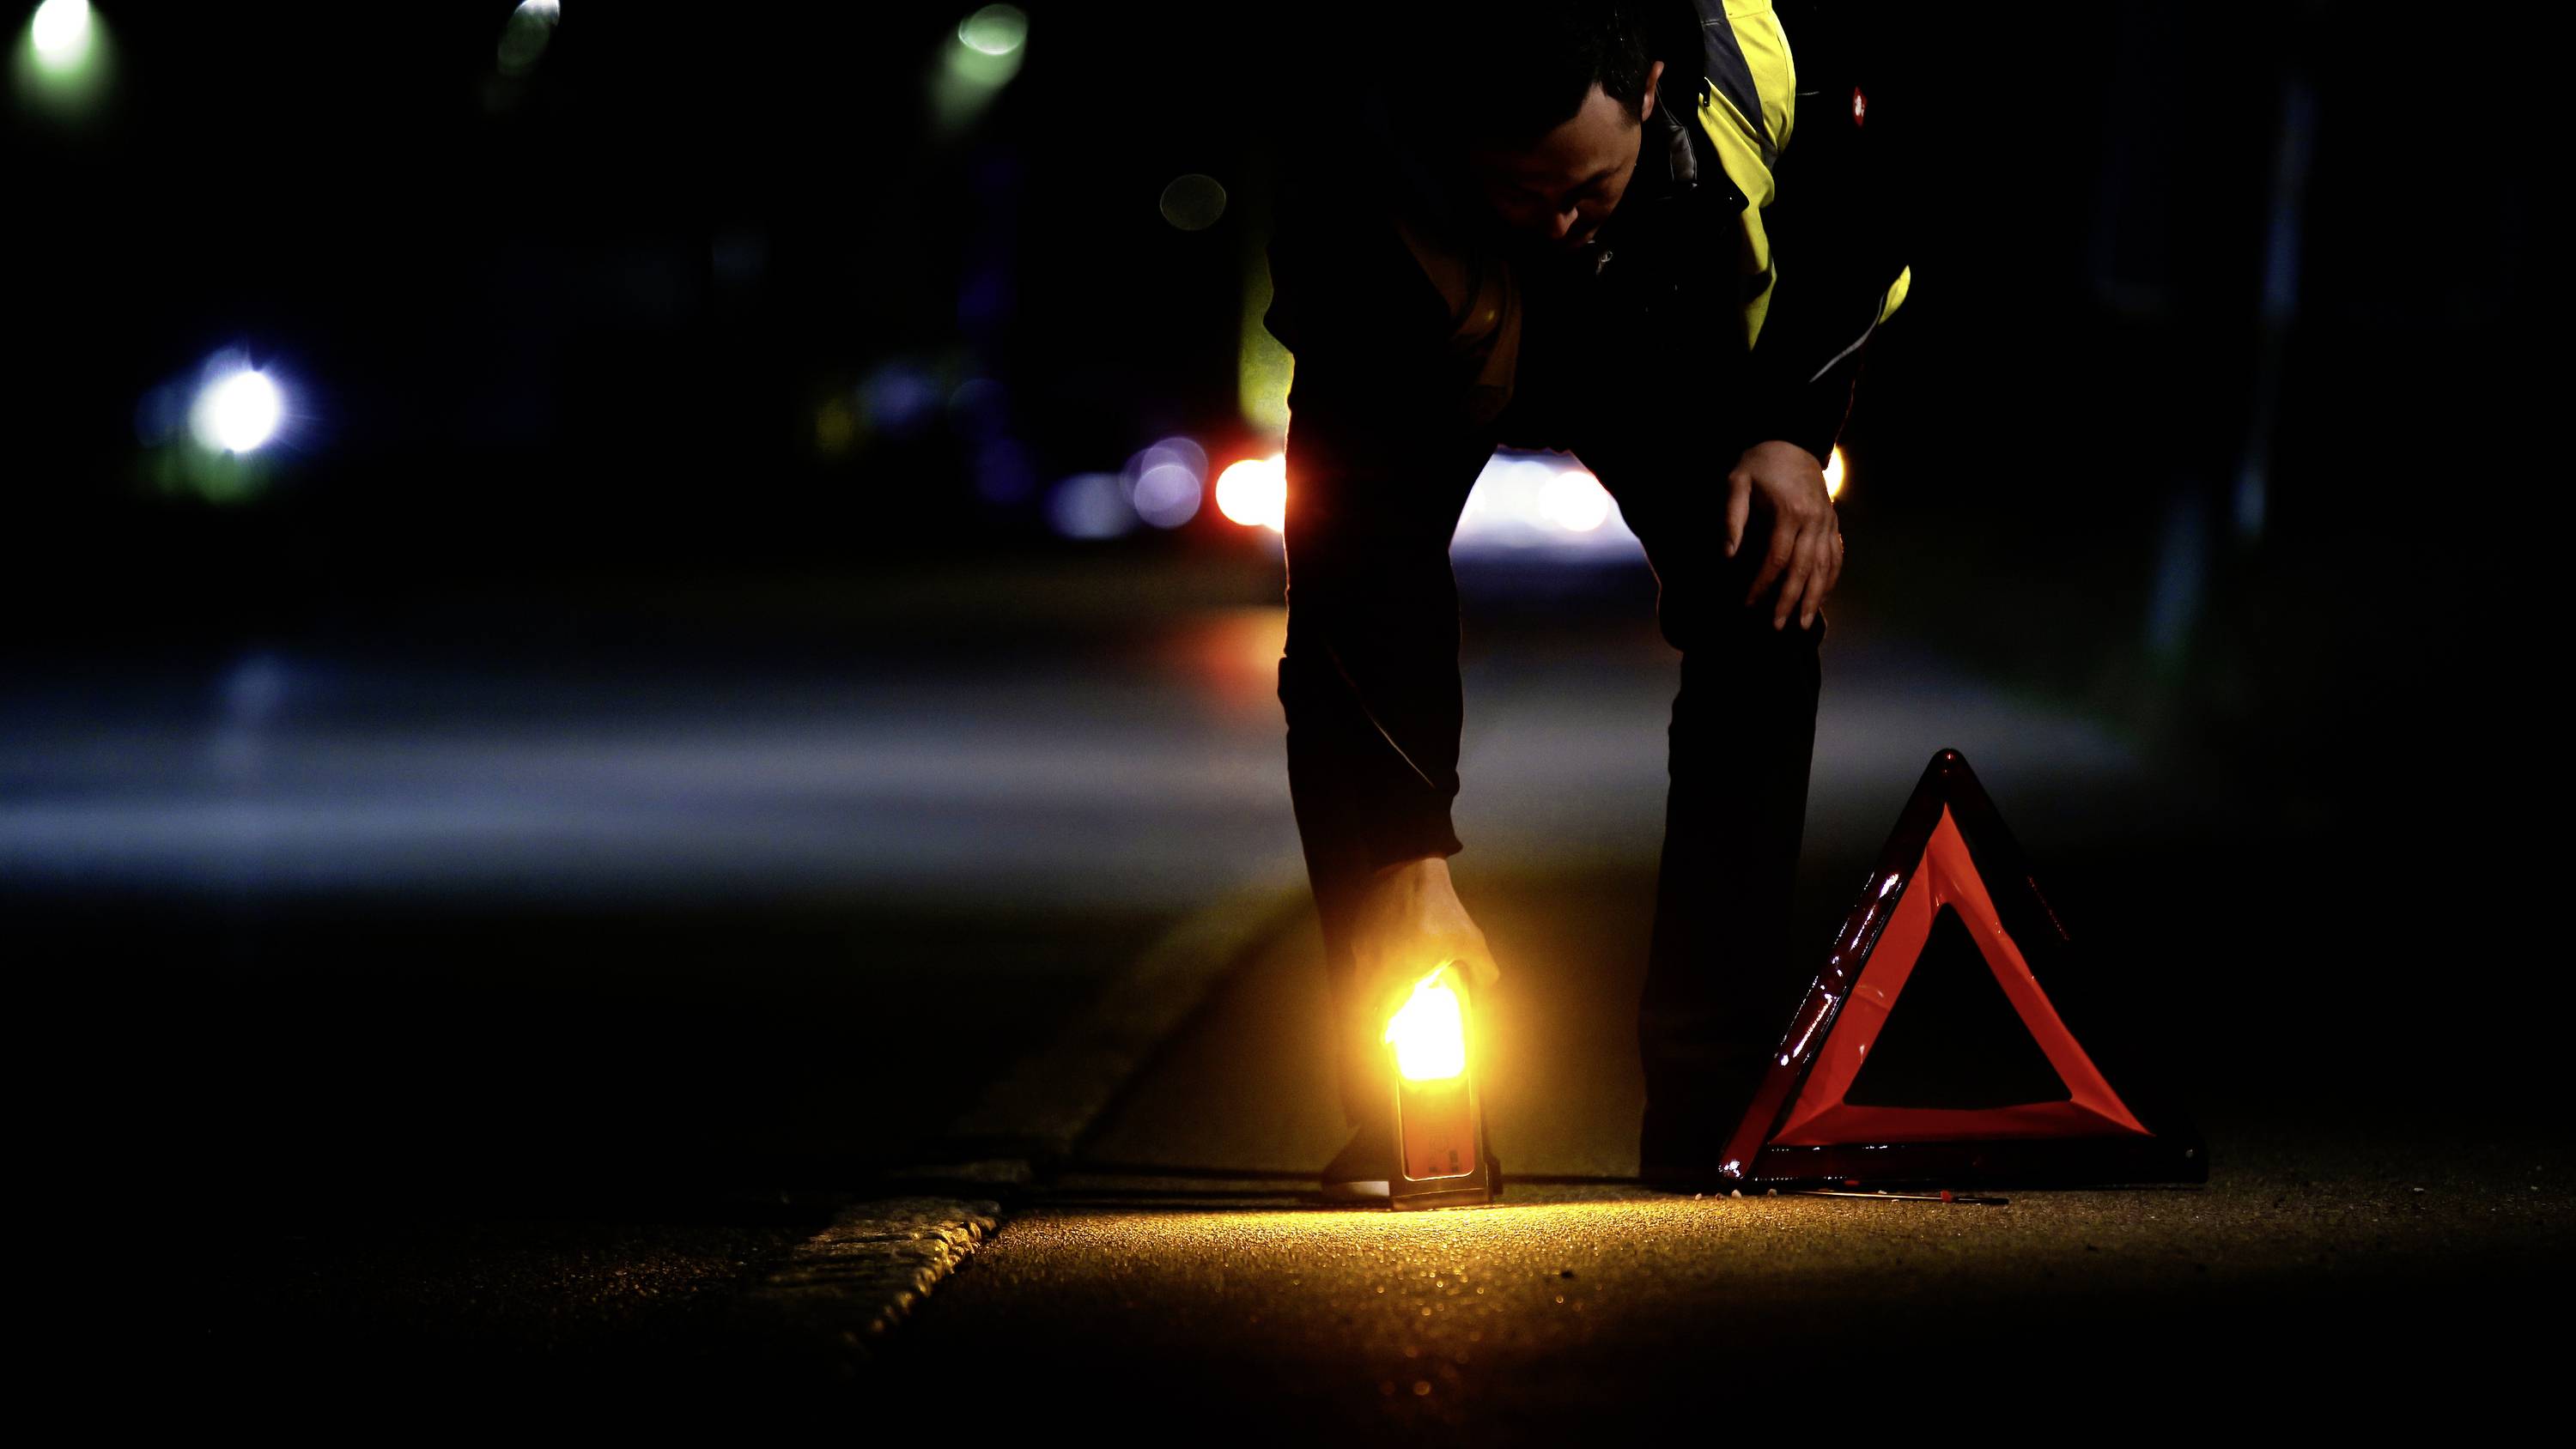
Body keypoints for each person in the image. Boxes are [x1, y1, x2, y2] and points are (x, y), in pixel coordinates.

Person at [1263, 0, 1913, 1197]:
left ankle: (1713, 1103)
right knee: (1334, 666)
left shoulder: (1756, 58)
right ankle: (1407, 1114)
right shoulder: (1353, 164)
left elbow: (1866, 222)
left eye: (1586, 187)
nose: (1558, 222)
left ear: (1652, 84)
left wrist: (1789, 433)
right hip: (1430, 328)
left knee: (1766, 602)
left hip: (1664, 321)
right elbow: (1364, 567)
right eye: (1527, 192)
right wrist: (1410, 859)